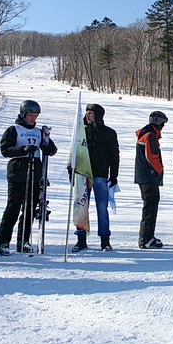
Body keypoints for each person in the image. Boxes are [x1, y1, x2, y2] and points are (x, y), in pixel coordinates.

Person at [0, 100, 57, 255]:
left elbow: (52, 149)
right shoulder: (14, 130)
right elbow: (5, 149)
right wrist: (22, 149)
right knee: (13, 209)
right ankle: (3, 242)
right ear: (23, 114)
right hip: (18, 174)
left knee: (30, 210)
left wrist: (47, 148)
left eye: (35, 116)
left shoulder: (39, 132)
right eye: (31, 115)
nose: (33, 118)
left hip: (34, 175)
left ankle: (23, 240)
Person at [71, 103, 120, 252]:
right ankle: (81, 239)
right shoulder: (81, 133)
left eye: (91, 113)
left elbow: (114, 156)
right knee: (80, 208)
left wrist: (114, 175)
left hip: (100, 175)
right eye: (87, 113)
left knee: (102, 208)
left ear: (98, 115)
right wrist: (71, 170)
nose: (88, 115)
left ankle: (105, 240)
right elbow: (74, 153)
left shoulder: (109, 133)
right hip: (82, 175)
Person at [135, 110, 168, 249]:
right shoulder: (150, 135)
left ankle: (147, 237)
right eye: (163, 124)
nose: (163, 127)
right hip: (148, 176)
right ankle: (146, 239)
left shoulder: (146, 134)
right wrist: (160, 170)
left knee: (150, 206)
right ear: (158, 122)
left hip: (145, 176)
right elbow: (152, 156)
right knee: (150, 206)